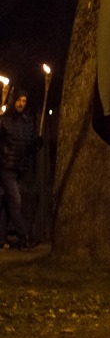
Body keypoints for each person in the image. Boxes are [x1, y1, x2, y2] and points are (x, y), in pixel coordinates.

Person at [0, 90, 40, 250]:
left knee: (5, 203)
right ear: (13, 101)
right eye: (19, 100)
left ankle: (1, 239)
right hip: (5, 166)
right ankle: (24, 238)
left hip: (19, 167)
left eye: (24, 100)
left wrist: (35, 145)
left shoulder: (27, 121)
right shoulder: (5, 120)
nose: (21, 104)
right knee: (16, 201)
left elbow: (27, 145)